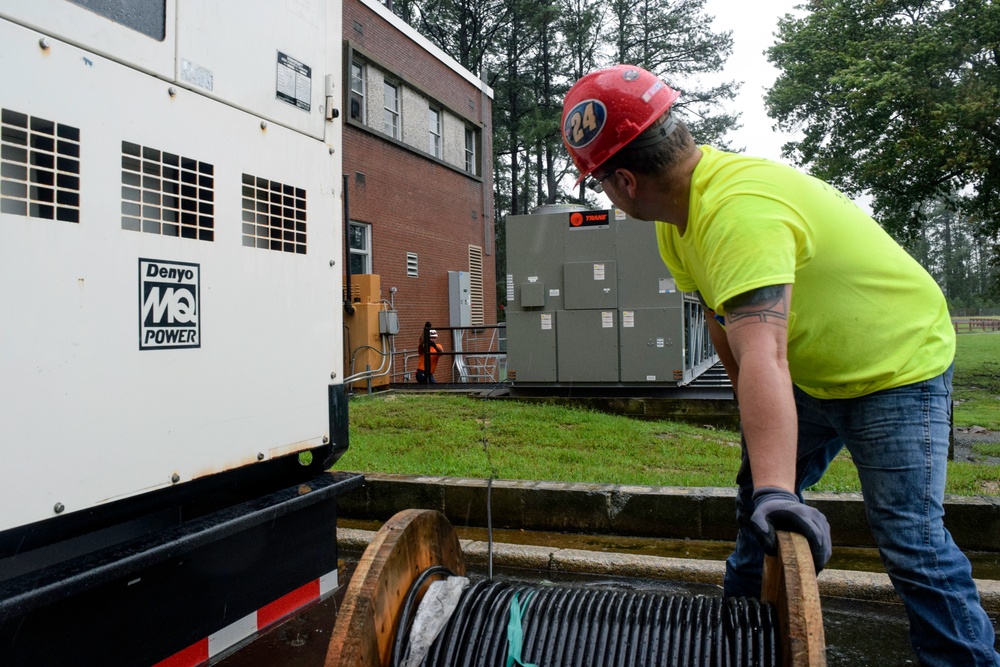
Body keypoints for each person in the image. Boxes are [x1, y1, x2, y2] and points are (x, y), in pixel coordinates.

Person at [561, 64, 999, 666]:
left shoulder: (737, 212)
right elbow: (730, 335)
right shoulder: (678, 221)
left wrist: (775, 486)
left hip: (898, 367)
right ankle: (738, 648)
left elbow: (763, 348)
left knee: (911, 541)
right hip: (811, 372)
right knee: (758, 518)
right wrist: (764, 477)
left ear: (625, 182)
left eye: (598, 182)